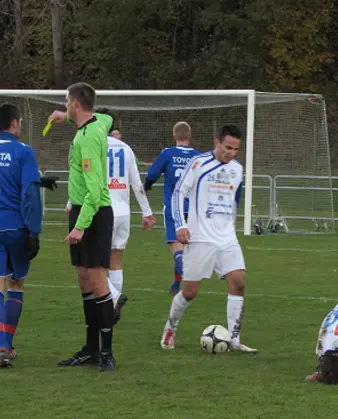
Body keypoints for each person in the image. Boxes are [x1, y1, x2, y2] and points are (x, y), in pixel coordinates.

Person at [160, 124, 257, 353]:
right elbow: (178, 193)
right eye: (227, 148)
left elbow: (235, 199)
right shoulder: (198, 163)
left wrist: (229, 225)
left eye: (235, 149)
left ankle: (234, 339)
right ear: (217, 143)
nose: (231, 153)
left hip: (226, 237)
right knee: (190, 291)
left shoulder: (237, 169)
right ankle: (170, 328)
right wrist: (181, 226)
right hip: (200, 237)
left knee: (238, 283)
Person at [49, 82, 117, 372]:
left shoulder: (86, 139)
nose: (65, 104)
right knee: (84, 280)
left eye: (66, 101)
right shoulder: (98, 123)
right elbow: (107, 118)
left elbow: (95, 189)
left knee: (98, 282)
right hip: (81, 210)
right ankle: (90, 349)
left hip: (93, 214)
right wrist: (66, 119)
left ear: (75, 103)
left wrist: (79, 226)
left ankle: (106, 354)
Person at [66, 115, 156, 323]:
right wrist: (147, 212)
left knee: (92, 264)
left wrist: (71, 204)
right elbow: (137, 184)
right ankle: (111, 311)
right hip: (123, 212)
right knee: (115, 260)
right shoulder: (126, 148)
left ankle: (112, 298)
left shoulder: (91, 142)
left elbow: (84, 178)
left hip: (101, 209)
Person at [0, 104, 43, 368]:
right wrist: (34, 232)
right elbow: (29, 194)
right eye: (21, 122)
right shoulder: (23, 151)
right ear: (14, 124)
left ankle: (2, 346)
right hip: (15, 227)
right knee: (16, 284)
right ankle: (8, 345)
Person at [144, 122, 200, 294]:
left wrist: (147, 185)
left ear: (174, 137)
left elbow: (152, 174)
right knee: (187, 249)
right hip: (193, 210)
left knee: (177, 248)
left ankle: (187, 278)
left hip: (173, 206)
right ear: (190, 136)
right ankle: (176, 284)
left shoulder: (168, 153)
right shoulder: (199, 156)